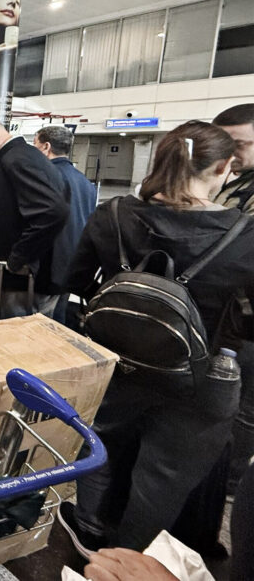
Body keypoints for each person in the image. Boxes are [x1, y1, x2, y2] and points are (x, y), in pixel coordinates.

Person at [59, 120, 254, 554]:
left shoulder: (112, 215)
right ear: (223, 167)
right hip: (202, 378)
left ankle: (88, 529)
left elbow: (72, 280)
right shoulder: (244, 234)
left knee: (103, 444)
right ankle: (130, 555)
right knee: (164, 476)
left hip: (119, 360)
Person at [0, 106, 69, 319]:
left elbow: (53, 211)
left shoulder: (16, 160)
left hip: (18, 282)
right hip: (21, 278)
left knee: (11, 341)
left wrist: (17, 259)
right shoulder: (22, 156)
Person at [211, 104, 254, 495]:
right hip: (223, 315)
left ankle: (231, 480)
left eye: (238, 144)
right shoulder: (234, 181)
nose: (229, 153)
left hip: (248, 321)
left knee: (246, 410)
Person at [33, 125, 97, 325]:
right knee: (59, 321)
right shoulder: (85, 182)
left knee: (38, 324)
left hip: (48, 266)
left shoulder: (46, 177)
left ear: (46, 147)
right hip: (72, 265)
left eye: (35, 145)